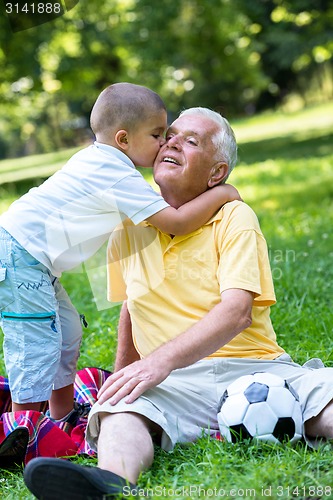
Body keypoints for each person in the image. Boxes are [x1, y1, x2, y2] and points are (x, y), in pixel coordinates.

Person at [24, 107, 333, 500]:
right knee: (120, 414)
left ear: (216, 174)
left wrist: (158, 361)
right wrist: (121, 381)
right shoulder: (127, 225)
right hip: (175, 384)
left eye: (191, 141)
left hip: (255, 368)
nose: (172, 142)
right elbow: (130, 309)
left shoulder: (234, 216)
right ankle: (109, 483)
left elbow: (236, 312)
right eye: (169, 135)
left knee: (324, 393)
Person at [0, 85, 239, 422]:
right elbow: (176, 223)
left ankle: (62, 416)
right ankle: (21, 430)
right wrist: (223, 193)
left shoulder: (101, 160)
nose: (164, 144)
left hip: (30, 260)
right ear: (124, 140)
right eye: (158, 134)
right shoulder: (115, 172)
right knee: (35, 342)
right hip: (18, 257)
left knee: (68, 332)